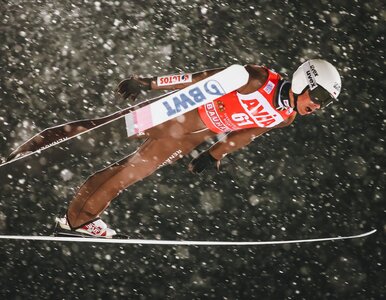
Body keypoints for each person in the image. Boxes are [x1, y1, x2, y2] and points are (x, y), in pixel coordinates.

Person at [55, 59, 342, 238]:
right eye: (318, 95)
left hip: (191, 134)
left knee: (129, 173)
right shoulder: (257, 79)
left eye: (325, 103)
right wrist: (148, 83)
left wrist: (214, 154)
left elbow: (248, 133)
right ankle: (49, 143)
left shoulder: (286, 117)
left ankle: (78, 220)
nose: (317, 105)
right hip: (176, 112)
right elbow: (201, 77)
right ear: (306, 80)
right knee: (102, 135)